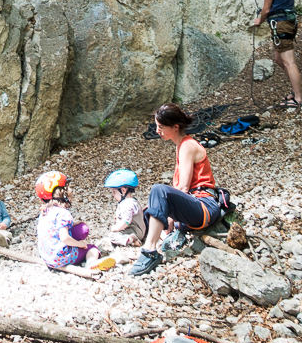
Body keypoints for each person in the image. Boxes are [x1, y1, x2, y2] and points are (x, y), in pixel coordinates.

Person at [130, 104, 223, 276]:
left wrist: (170, 216)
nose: (157, 131)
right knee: (149, 210)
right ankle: (155, 240)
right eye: (156, 126)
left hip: (204, 206)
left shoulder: (188, 146)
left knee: (158, 191)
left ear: (175, 127)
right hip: (195, 207)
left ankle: (150, 251)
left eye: (161, 127)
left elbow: (183, 187)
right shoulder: (180, 145)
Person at [238, 0, 302, 109]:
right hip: (287, 22)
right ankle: (295, 91)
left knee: (289, 62)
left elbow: (267, 9)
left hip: (281, 23)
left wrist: (259, 21)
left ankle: (299, 98)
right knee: (278, 60)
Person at [35, 171, 115, 272]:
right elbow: (64, 238)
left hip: (47, 256)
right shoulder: (62, 213)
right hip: (60, 258)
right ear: (61, 192)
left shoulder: (44, 212)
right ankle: (90, 263)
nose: (70, 190)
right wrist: (79, 244)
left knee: (80, 229)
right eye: (66, 187)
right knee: (92, 248)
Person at [104, 169, 147, 246]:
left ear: (123, 191)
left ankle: (130, 240)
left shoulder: (126, 204)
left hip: (133, 231)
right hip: (140, 230)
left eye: (114, 192)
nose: (113, 195)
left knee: (112, 236)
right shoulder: (133, 201)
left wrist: (116, 228)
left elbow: (127, 221)